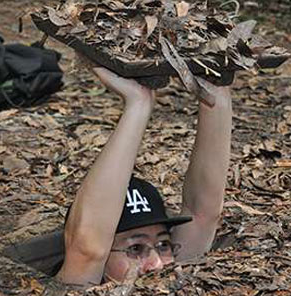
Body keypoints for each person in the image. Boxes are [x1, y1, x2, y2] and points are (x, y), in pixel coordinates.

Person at [56, 67, 232, 286]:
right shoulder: (78, 285)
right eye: (135, 249)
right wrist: (138, 104)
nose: (156, 263)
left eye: (164, 245)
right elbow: (87, 250)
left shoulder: (173, 277)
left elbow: (203, 214)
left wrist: (215, 90)